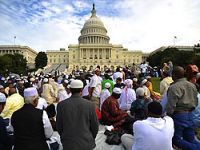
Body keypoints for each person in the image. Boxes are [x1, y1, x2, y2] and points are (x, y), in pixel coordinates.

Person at [56, 79, 99, 150]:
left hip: (68, 143)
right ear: (81, 90)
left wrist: (65, 137)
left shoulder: (61, 105)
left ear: (70, 89)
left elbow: (59, 126)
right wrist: (90, 137)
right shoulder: (90, 105)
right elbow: (95, 126)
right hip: (86, 143)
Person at [166, 66, 200, 150]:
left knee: (175, 140)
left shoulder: (174, 87)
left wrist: (168, 117)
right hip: (190, 114)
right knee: (190, 139)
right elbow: (195, 102)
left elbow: (171, 106)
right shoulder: (192, 85)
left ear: (174, 75)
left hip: (179, 115)